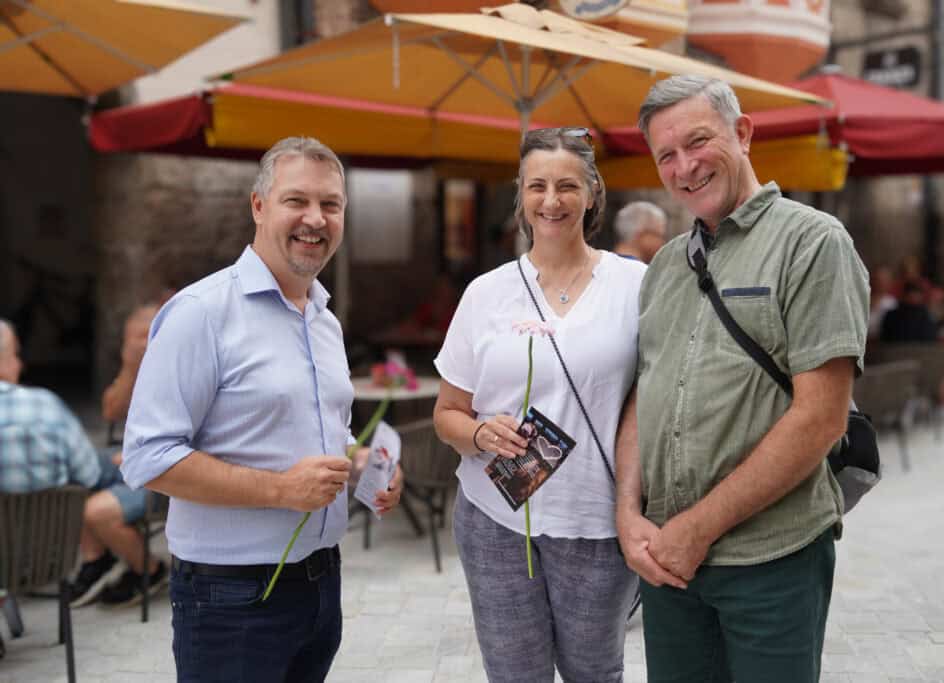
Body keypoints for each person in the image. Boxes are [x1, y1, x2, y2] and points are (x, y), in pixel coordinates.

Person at [120, 136, 402, 683]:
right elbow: (146, 458)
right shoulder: (200, 313)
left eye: (331, 204)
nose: (315, 219)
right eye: (297, 200)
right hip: (230, 596)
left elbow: (314, 435)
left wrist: (362, 462)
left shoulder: (323, 317)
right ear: (258, 206)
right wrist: (280, 490)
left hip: (321, 583)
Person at [616, 75, 868, 683]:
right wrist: (627, 513)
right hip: (669, 566)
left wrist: (695, 530)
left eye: (698, 141)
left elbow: (820, 418)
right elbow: (644, 394)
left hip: (771, 560)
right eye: (666, 156)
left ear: (744, 133)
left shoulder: (812, 241)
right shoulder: (666, 267)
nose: (685, 166)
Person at [433, 127, 645, 682]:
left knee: (595, 673)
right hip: (495, 518)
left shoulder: (636, 286)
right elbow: (447, 413)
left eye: (567, 186)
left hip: (597, 521)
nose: (552, 201)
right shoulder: (486, 293)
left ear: (593, 193)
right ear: (521, 196)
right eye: (538, 187)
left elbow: (656, 399)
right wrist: (480, 435)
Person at [68, 302, 167, 609]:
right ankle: (98, 559)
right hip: (131, 457)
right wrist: (130, 364)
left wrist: (143, 453)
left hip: (167, 470)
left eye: (142, 336)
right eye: (130, 338)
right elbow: (111, 411)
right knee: (72, 472)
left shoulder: (185, 364)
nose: (138, 344)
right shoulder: (136, 366)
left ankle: (149, 569)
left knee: (95, 511)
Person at [0, 318, 102, 493]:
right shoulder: (45, 406)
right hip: (53, 518)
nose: (20, 365)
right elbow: (90, 476)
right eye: (16, 355)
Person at [867, 265, 898, 340]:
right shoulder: (862, 301)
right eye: (877, 279)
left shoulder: (892, 303)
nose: (879, 283)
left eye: (884, 280)